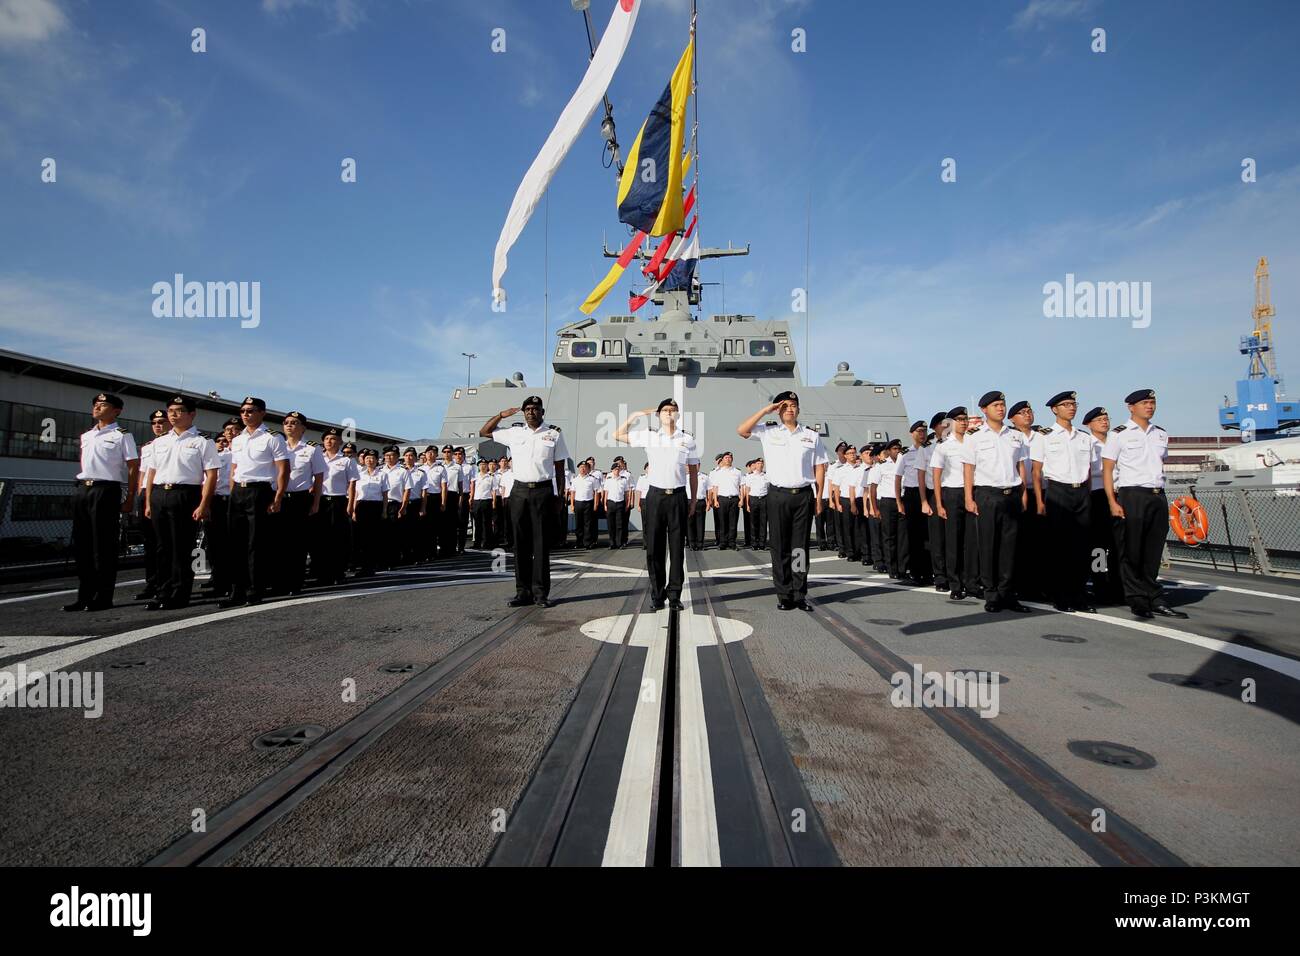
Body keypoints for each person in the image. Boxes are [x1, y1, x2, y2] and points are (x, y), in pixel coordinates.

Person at [738, 391, 828, 611]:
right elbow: (742, 430)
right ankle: (784, 594)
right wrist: (765, 410)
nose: (790, 408)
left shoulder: (811, 436)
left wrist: (819, 496)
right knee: (779, 547)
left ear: (798, 409)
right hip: (778, 496)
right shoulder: (769, 432)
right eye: (785, 405)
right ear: (778, 410)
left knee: (800, 547)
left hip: (803, 495)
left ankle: (799, 593)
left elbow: (819, 468)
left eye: (793, 405)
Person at [1103, 388, 1186, 620]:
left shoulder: (1160, 434)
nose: (1149, 406)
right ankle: (1137, 599)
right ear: (1131, 407)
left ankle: (1154, 597)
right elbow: (1108, 469)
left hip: (1157, 495)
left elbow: (1160, 464)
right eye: (1144, 403)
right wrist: (1112, 500)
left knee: (1153, 549)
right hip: (1132, 494)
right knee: (1132, 550)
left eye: (1152, 402)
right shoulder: (1119, 434)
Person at [480, 396, 569, 608]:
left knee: (540, 544)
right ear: (523, 413)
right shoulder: (514, 432)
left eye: (535, 409)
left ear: (542, 412)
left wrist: (560, 496)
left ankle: (540, 593)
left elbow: (559, 468)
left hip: (543, 492)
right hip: (519, 492)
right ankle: (523, 592)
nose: (531, 412)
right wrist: (501, 415)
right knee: (520, 544)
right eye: (527, 409)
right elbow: (484, 432)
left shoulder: (554, 433)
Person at [614, 398, 699, 611]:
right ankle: (657, 595)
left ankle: (675, 596)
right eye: (665, 410)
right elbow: (617, 434)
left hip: (678, 496)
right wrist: (636, 414)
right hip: (655, 497)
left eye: (673, 410)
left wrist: (694, 499)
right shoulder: (649, 436)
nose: (669, 413)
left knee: (677, 549)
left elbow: (694, 473)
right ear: (659, 415)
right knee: (654, 548)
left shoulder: (688, 440)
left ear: (678, 415)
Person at [142, 395, 218, 610]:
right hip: (159, 494)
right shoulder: (159, 442)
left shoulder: (203, 441)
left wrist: (204, 504)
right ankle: (162, 592)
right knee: (162, 547)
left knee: (181, 547)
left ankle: (179, 593)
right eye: (170, 411)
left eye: (178, 411)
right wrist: (148, 501)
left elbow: (211, 474)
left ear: (191, 414)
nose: (173, 415)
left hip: (185, 495)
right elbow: (151, 473)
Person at [65, 393, 139, 612]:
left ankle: (103, 596)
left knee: (103, 546)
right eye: (95, 404)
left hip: (106, 490)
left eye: (103, 405)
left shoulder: (122, 435)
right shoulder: (87, 435)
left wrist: (130, 497)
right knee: (83, 545)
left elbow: (133, 466)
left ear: (116, 411)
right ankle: (84, 595)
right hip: (83, 489)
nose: (97, 407)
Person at [963, 391, 1032, 613]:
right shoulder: (974, 437)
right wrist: (968, 497)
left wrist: (1023, 492)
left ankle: (1008, 593)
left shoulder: (1015, 436)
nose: (1000, 409)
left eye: (1002, 405)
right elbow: (968, 469)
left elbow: (1020, 465)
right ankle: (991, 593)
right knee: (988, 545)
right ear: (984, 410)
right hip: (987, 494)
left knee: (1010, 547)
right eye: (995, 405)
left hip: (1011, 493)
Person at [1032, 391, 1097, 613]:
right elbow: (1037, 472)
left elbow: (1089, 471)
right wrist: (1040, 501)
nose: (1071, 408)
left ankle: (1078, 595)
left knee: (1081, 548)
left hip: (1081, 493)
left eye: (1073, 404)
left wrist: (1086, 495)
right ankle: (1060, 596)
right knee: (1059, 547)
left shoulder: (1084, 437)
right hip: (1058, 492)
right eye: (1066, 404)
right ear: (1054, 409)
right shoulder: (1044, 436)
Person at [223, 396, 290, 607]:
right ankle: (237, 590)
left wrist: (278, 496)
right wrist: (233, 492)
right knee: (235, 543)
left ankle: (255, 590)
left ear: (262, 413)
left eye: (251, 410)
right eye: (243, 410)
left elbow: (282, 469)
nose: (245, 414)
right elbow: (234, 469)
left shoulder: (272, 437)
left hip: (260, 492)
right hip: (238, 493)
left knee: (256, 544)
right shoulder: (237, 439)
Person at [931, 407, 978, 600]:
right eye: (959, 419)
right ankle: (955, 584)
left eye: (965, 419)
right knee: (953, 541)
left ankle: (972, 583)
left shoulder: (974, 443)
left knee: (972, 542)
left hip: (973, 492)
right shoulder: (943, 446)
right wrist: (939, 504)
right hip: (951, 493)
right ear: (951, 423)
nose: (964, 422)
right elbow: (936, 476)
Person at [279, 412, 326, 592]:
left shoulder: (312, 449)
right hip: (279, 497)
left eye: (295, 423)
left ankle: (295, 582)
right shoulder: (278, 446)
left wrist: (315, 503)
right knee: (280, 542)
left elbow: (319, 477)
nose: (290, 426)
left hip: (300, 498)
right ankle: (279, 581)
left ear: (303, 427)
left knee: (297, 542)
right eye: (287, 422)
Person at [1009, 400, 1049, 602]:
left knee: (1039, 543)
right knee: (1017, 542)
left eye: (1029, 411)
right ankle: (1018, 584)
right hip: (1016, 493)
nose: (1027, 415)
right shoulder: (1010, 437)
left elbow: (1040, 470)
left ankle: (1038, 585)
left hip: (1039, 494)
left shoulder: (1042, 437)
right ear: (1012, 418)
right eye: (1022, 412)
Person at [1083, 406, 1122, 604]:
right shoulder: (1087, 443)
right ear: (1089, 424)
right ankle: (1099, 583)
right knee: (1098, 544)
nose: (1104, 422)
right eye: (1099, 420)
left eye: (1106, 419)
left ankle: (1118, 582)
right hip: (1097, 494)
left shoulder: (1117, 440)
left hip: (1119, 493)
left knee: (1118, 542)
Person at [133, 409, 168, 601]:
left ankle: (165, 582)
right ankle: (152, 582)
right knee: (150, 543)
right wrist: (140, 494)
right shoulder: (147, 446)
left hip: (162, 491)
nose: (158, 425)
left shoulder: (171, 443)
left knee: (164, 542)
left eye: (162, 422)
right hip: (147, 494)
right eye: (154, 422)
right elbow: (142, 472)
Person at [316, 427, 358, 585]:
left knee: (337, 538)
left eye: (333, 439)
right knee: (321, 539)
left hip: (338, 501)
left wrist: (350, 504)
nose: (329, 441)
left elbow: (352, 484)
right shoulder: (318, 458)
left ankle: (338, 572)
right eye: (326, 439)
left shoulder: (346, 461)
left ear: (340, 442)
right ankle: (322, 573)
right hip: (320, 500)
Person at [897, 420, 931, 585]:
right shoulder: (905, 455)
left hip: (929, 494)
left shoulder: (932, 450)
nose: (922, 434)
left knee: (929, 535)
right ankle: (916, 571)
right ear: (912, 433)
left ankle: (929, 570)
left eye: (924, 431)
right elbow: (897, 479)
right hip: (911, 495)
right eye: (919, 431)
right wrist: (899, 501)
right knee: (914, 535)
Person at [918, 413, 948, 591]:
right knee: (937, 538)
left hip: (955, 491)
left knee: (957, 538)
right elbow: (921, 476)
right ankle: (941, 576)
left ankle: (958, 575)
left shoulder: (961, 443)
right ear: (936, 427)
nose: (947, 426)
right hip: (933, 493)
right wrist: (924, 501)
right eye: (943, 424)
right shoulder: (927, 448)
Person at [351, 449, 387, 577]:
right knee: (361, 538)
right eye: (367, 458)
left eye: (372, 458)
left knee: (372, 538)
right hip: (361, 506)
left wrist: (384, 510)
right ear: (363, 460)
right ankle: (362, 565)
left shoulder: (382, 474)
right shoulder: (359, 474)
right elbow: (354, 493)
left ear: (377, 460)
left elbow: (385, 494)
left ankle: (370, 566)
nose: (370, 461)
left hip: (375, 506)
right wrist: (353, 510)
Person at [876, 439, 904, 578]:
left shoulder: (904, 462)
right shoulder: (881, 466)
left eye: (898, 448)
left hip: (902, 501)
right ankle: (892, 568)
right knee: (889, 536)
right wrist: (875, 508)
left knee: (902, 537)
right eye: (894, 448)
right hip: (887, 502)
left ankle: (903, 567)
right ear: (888, 451)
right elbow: (873, 486)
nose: (897, 451)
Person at [379, 445, 409, 569]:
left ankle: (393, 560)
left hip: (395, 505)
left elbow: (407, 490)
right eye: (386, 455)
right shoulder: (380, 470)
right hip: (380, 504)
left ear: (397, 457)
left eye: (392, 455)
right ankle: (381, 560)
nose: (389, 458)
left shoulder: (403, 471)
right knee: (382, 534)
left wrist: (403, 507)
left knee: (393, 534)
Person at [832, 443, 863, 561]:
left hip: (858, 499)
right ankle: (850, 552)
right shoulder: (840, 470)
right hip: (845, 500)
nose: (852, 455)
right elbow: (836, 487)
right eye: (849, 453)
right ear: (845, 455)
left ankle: (858, 550)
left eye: (854, 453)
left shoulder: (861, 468)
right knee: (847, 527)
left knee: (858, 527)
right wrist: (838, 503)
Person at [708, 452, 742, 550]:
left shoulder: (737, 472)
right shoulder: (718, 472)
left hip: (734, 499)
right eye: (726, 457)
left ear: (732, 459)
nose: (728, 459)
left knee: (733, 522)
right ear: (722, 460)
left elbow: (740, 487)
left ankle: (732, 542)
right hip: (722, 499)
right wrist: (715, 500)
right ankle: (722, 542)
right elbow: (715, 487)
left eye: (730, 457)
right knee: (722, 522)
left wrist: (741, 500)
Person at [818, 443, 844, 551]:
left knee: (830, 523)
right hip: (819, 500)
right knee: (819, 523)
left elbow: (833, 486)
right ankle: (821, 543)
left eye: (826, 464)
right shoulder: (815, 475)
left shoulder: (830, 473)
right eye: (822, 464)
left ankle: (831, 542)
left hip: (829, 500)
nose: (824, 466)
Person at [568, 460, 599, 548]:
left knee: (587, 524)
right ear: (578, 469)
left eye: (584, 467)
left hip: (588, 503)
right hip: (578, 503)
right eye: (581, 467)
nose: (583, 469)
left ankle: (587, 543)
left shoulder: (592, 479)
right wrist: (572, 505)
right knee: (579, 524)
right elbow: (572, 493)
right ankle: (579, 542)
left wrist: (595, 504)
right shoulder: (575, 480)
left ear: (587, 468)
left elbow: (596, 492)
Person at [601, 462, 631, 548]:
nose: (617, 471)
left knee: (619, 524)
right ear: (612, 470)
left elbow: (626, 493)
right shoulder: (608, 480)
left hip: (620, 503)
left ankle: (619, 543)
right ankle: (612, 543)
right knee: (611, 524)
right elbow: (606, 493)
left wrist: (627, 504)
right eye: (615, 469)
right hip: (610, 503)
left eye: (618, 469)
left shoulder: (624, 480)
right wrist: (605, 505)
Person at [742, 457, 770, 550]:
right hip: (753, 499)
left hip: (764, 499)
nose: (760, 465)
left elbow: (769, 489)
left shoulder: (767, 476)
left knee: (763, 522)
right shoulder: (750, 476)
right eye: (758, 463)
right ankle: (754, 543)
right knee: (753, 522)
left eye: (762, 463)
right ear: (755, 465)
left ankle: (762, 543)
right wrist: (747, 504)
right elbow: (747, 490)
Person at [470, 458, 497, 548]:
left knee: (487, 523)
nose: (482, 466)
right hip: (477, 501)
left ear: (487, 466)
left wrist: (494, 502)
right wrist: (471, 499)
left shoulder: (491, 477)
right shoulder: (475, 476)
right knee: (477, 524)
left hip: (487, 501)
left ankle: (487, 543)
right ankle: (477, 543)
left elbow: (493, 490)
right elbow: (472, 489)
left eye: (484, 465)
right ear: (478, 466)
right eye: (481, 465)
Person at [688, 466, 709, 551]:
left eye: (696, 464)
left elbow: (709, 490)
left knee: (700, 524)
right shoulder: (685, 476)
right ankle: (692, 543)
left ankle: (700, 544)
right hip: (688, 502)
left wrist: (708, 502)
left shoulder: (704, 477)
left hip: (700, 502)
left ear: (699, 465)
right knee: (690, 524)